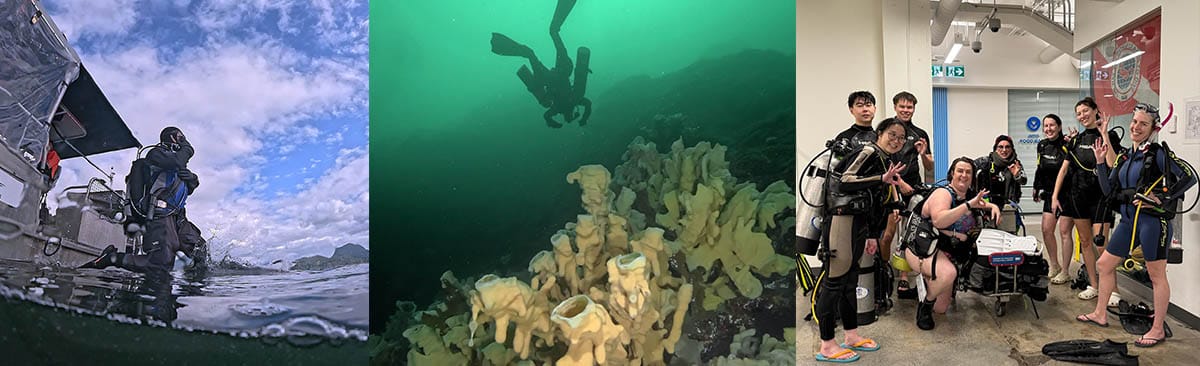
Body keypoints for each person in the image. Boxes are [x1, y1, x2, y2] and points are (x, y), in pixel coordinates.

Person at [1076, 103, 1196, 348]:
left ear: (1153, 128)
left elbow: (1189, 177)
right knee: (1104, 264)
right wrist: (1100, 163)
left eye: (1143, 123)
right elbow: (1109, 190)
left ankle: (1158, 328)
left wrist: (1163, 198)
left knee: (1155, 275)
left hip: (1154, 223)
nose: (1136, 127)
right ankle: (1100, 313)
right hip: (1130, 221)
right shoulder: (1126, 157)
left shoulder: (1159, 154)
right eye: (1134, 121)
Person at [812, 118, 909, 362]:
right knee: (835, 282)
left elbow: (876, 201)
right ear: (880, 133)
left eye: (901, 137)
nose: (896, 141)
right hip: (841, 221)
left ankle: (851, 336)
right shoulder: (868, 151)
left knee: (850, 282)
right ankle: (826, 345)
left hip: (858, 224)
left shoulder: (884, 159)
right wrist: (881, 179)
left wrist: (873, 234)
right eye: (892, 134)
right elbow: (844, 181)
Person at [80, 127, 200, 273]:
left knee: (199, 248)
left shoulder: (175, 164)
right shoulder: (156, 154)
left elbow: (187, 188)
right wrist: (187, 148)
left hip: (178, 216)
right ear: (172, 137)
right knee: (160, 263)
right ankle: (111, 258)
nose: (183, 138)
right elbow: (176, 162)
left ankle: (196, 285)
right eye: (179, 136)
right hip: (160, 215)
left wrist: (193, 179)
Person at [905, 157, 1000, 330]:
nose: (964, 175)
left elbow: (980, 204)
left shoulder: (968, 196)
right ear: (951, 174)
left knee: (941, 309)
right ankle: (924, 306)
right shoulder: (943, 193)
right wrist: (969, 206)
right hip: (921, 248)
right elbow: (940, 221)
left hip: (945, 250)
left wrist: (993, 206)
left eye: (968, 172)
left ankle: (926, 285)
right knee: (948, 273)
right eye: (960, 171)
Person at [490, 0, 591, 128]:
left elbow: (587, 104)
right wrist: (581, 119)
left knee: (551, 35)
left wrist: (583, 118)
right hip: (554, 75)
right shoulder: (564, 106)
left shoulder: (570, 103)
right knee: (531, 52)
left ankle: (499, 45)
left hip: (557, 74)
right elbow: (548, 116)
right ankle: (500, 45)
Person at [1051, 97, 1111, 300]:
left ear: (1095, 110)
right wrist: (1054, 195)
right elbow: (1064, 169)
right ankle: (1094, 286)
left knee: (1101, 244)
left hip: (1101, 198)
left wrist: (1105, 136)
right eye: (1079, 113)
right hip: (1078, 197)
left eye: (1086, 111)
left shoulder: (1108, 135)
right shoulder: (1076, 140)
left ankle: (1113, 290)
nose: (1082, 116)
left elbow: (1112, 163)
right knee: (1085, 242)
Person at [886, 91, 933, 300]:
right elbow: (883, 161)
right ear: (895, 107)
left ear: (914, 108)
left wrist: (923, 154)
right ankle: (884, 273)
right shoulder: (887, 130)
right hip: (890, 187)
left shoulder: (920, 133)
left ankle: (905, 276)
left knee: (910, 233)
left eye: (910, 107)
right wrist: (898, 184)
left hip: (913, 189)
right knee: (888, 234)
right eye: (902, 106)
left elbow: (930, 166)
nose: (906, 110)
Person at [1033, 114, 1073, 283]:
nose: (1048, 129)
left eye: (1052, 125)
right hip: (1049, 194)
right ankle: (1054, 264)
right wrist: (1036, 187)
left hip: (1067, 195)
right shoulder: (1041, 145)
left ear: (1059, 126)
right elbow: (1039, 168)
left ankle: (1065, 271)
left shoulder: (1067, 145)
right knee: (1046, 229)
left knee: (1064, 232)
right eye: (1046, 126)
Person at [974, 135, 1026, 233]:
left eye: (1007, 147)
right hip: (988, 207)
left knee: (1009, 238)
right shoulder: (985, 161)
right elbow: (969, 168)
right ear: (995, 148)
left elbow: (1024, 181)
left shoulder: (1016, 163)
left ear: (1012, 149)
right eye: (1000, 147)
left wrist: (1016, 175)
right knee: (990, 237)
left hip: (1008, 208)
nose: (1004, 150)